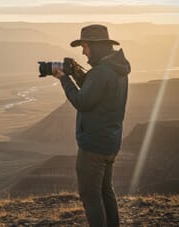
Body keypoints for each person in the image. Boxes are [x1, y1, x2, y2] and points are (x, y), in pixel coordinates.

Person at [52, 24, 131, 227]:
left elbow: (82, 101)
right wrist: (79, 74)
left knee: (90, 196)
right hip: (110, 142)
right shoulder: (117, 68)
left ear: (95, 47)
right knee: (106, 191)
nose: (84, 52)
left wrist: (64, 79)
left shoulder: (101, 72)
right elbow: (96, 92)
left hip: (93, 146)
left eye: (85, 47)